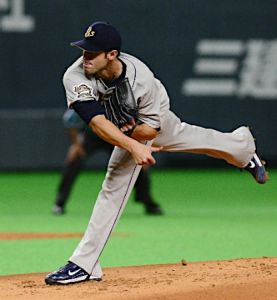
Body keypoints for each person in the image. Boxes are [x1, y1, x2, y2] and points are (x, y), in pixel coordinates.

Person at [45, 21, 268, 285]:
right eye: (84, 50)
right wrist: (131, 144)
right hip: (122, 126)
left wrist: (136, 138)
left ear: (112, 54)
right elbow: (95, 122)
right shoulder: (75, 75)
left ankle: (84, 264)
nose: (86, 57)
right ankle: (242, 146)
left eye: (93, 52)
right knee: (190, 136)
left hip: (150, 116)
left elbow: (150, 131)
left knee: (115, 181)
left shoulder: (141, 79)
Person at [52, 109, 163, 215]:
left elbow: (137, 124)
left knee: (138, 163)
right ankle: (59, 203)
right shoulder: (90, 97)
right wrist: (75, 144)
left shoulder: (123, 99)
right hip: (92, 133)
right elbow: (70, 120)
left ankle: (147, 201)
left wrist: (138, 148)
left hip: (115, 135)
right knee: (74, 160)